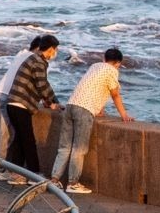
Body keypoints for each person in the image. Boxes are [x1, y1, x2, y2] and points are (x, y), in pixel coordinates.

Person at [52, 46, 130, 195]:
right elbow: (115, 94)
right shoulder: (112, 70)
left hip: (70, 105)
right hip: (84, 110)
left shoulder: (94, 66)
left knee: (64, 147)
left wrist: (99, 109)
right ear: (118, 63)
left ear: (104, 58)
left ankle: (54, 180)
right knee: (79, 149)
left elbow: (95, 87)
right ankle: (73, 183)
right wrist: (124, 115)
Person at [4, 34, 60, 177]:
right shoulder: (39, 62)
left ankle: (15, 173)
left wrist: (47, 101)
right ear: (51, 49)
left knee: (19, 140)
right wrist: (55, 102)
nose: (55, 53)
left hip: (13, 103)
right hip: (21, 105)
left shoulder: (32, 58)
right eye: (55, 49)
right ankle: (35, 174)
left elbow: (37, 85)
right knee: (28, 141)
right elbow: (42, 85)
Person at [0, 36, 46, 172]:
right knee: (6, 135)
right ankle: (1, 170)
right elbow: (39, 84)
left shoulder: (21, 54)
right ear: (39, 49)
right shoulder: (34, 60)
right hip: (8, 95)